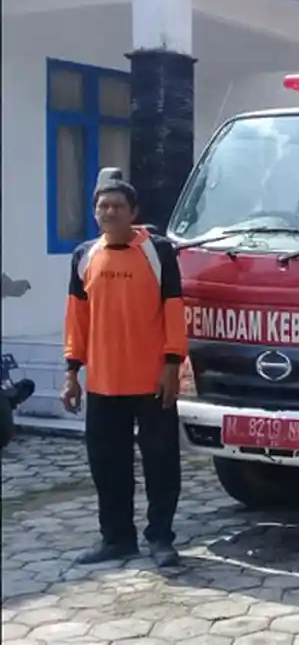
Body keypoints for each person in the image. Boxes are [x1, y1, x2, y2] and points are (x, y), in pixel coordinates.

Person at [61, 170, 188, 568]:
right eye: (103, 206)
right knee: (107, 465)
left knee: (161, 464)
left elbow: (174, 310)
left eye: (117, 206)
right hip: (103, 383)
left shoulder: (158, 252)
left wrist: (172, 364)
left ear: (133, 212)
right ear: (94, 212)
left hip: (152, 381)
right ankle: (116, 538)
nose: (110, 212)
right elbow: (76, 318)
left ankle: (160, 538)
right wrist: (72, 372)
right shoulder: (84, 256)